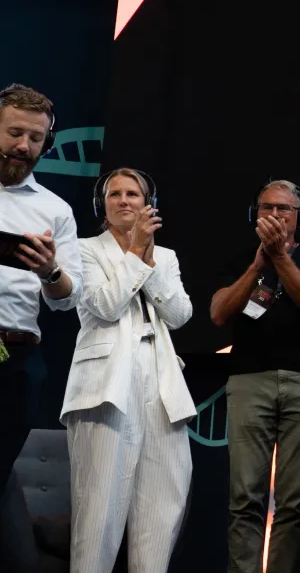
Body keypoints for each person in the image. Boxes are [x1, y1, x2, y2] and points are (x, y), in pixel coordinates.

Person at [62, 168, 196, 572]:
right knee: (98, 511)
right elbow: (104, 305)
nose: (124, 200)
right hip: (106, 383)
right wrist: (135, 253)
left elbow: (179, 315)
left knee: (162, 508)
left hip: (162, 383)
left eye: (133, 194)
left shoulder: (166, 256)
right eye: (114, 194)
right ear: (101, 206)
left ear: (147, 203)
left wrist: (149, 261)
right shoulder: (84, 249)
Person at [210, 180, 300, 573]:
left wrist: (281, 257)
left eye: (285, 209)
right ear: (255, 215)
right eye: (268, 208)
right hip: (250, 378)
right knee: (245, 496)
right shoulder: (239, 259)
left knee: (293, 501)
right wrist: (256, 266)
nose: (276, 215)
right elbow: (219, 313)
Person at [0, 83, 82, 492]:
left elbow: (68, 301)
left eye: (35, 138)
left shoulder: (55, 209)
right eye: (15, 133)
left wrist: (50, 270)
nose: (24, 146)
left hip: (15, 358)